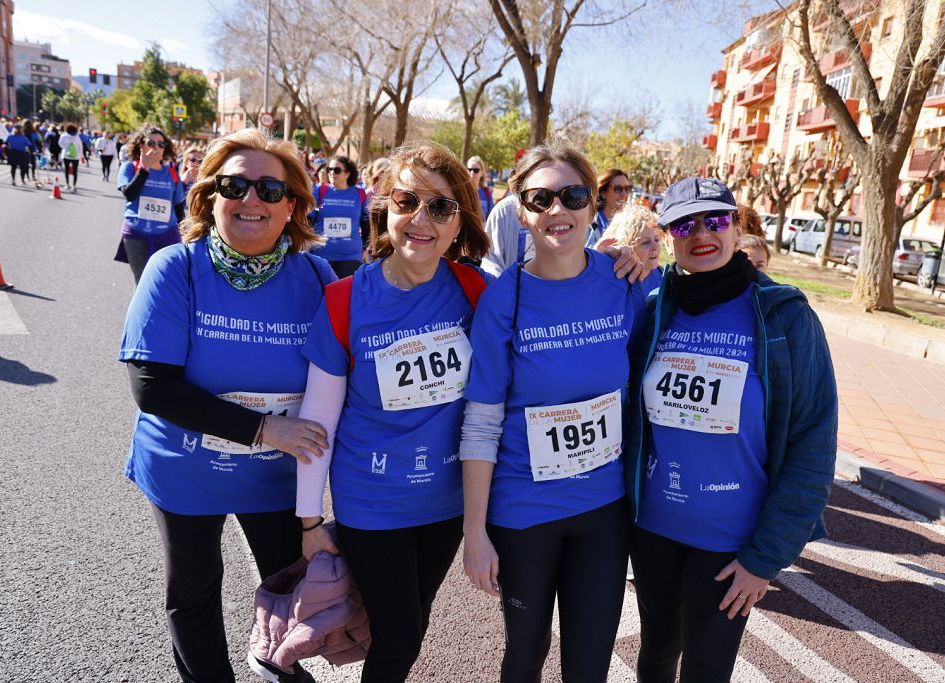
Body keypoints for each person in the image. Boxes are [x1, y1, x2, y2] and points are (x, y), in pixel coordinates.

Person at [119, 127, 336, 683]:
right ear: (208, 196)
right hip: (186, 470)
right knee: (194, 590)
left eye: (270, 189)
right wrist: (266, 430)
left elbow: (349, 369)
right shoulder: (176, 268)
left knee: (289, 587)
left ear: (293, 207)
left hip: (273, 479)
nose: (251, 200)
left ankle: (277, 663)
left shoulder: (314, 276)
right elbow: (153, 385)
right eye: (235, 185)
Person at [625, 176, 837, 682]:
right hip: (653, 530)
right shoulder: (654, 310)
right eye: (685, 224)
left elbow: (814, 441)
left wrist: (766, 557)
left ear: (737, 226)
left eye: (716, 220)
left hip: (730, 545)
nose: (703, 233)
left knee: (707, 668)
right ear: (669, 234)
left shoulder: (785, 316)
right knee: (655, 654)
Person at [296, 141, 492, 682]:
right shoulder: (343, 300)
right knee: (400, 637)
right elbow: (315, 425)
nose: (421, 219)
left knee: (408, 626)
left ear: (459, 223)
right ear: (385, 209)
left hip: (446, 501)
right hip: (372, 501)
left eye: (441, 207)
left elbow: (553, 298)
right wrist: (310, 522)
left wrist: (620, 263)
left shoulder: (477, 291)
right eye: (408, 201)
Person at [460, 140, 647, 682]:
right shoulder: (504, 298)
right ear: (521, 211)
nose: (558, 210)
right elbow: (481, 420)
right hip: (524, 511)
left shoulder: (623, 282)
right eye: (542, 199)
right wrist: (476, 532)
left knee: (588, 665)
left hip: (603, 510)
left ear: (593, 205)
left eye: (573, 195)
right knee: (524, 655)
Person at [114, 125, 187, 284]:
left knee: (167, 283)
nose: (157, 148)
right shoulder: (130, 167)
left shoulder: (172, 174)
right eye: (151, 143)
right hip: (136, 235)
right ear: (141, 145)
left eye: (161, 144)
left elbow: (178, 208)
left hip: (167, 235)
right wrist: (144, 169)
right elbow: (129, 194)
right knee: (143, 283)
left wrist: (185, 235)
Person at [308, 155, 369, 277]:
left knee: (344, 295)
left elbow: (366, 223)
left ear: (347, 173)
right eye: (329, 169)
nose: (331, 173)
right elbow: (308, 218)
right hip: (321, 255)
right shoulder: (320, 191)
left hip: (350, 256)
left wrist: (365, 248)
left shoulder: (359, 194)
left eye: (336, 170)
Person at [601, 203, 665, 295]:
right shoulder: (615, 278)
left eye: (656, 239)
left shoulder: (663, 278)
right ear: (626, 246)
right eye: (645, 242)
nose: (655, 247)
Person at [585, 167, 632, 247]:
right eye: (618, 189)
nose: (624, 194)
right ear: (603, 192)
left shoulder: (631, 224)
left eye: (627, 189)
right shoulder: (589, 224)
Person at [467, 155, 495, 220]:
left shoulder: (487, 193)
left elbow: (491, 218)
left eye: (476, 170)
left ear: (482, 173)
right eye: (469, 169)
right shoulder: (461, 191)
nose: (472, 173)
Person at [59, 124, 84, 191]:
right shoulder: (77, 137)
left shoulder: (63, 136)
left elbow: (60, 144)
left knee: (66, 170)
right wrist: (81, 156)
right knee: (75, 171)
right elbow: (80, 147)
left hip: (66, 155)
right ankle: (74, 185)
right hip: (76, 156)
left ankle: (67, 184)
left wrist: (65, 148)